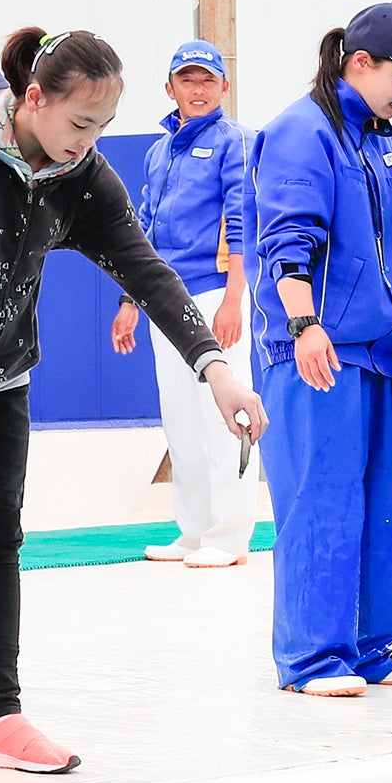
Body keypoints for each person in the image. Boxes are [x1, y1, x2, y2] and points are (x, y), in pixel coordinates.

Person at [0, 27, 267, 780]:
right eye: (80, 123)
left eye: (104, 129)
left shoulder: (83, 179)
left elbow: (147, 271)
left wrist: (216, 370)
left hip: (2, 372)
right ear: (36, 99)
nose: (88, 143)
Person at [250, 1, 392, 697]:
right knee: (320, 500)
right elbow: (287, 242)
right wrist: (305, 327)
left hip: (379, 354)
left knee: (374, 506)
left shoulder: (375, 136)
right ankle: (310, 658)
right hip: (319, 352)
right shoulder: (303, 132)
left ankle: (367, 647)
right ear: (359, 63)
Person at [116, 39, 261, 567]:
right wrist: (130, 299)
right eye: (188, 80)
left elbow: (242, 221)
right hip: (164, 297)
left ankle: (229, 535)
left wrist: (234, 299)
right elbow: (143, 230)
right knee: (181, 417)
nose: (197, 90)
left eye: (208, 80)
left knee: (221, 412)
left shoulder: (233, 142)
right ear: (170, 88)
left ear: (224, 87)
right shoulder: (159, 151)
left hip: (215, 291)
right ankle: (195, 531)